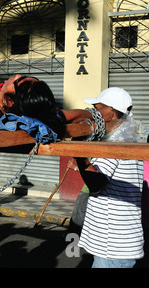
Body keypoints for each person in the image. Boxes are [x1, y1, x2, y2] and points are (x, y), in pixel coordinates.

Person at [72, 87, 144, 268]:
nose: (93, 113)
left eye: (97, 108)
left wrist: (78, 153)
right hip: (120, 243)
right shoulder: (128, 141)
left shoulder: (113, 146)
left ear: (111, 113)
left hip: (112, 247)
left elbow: (96, 183)